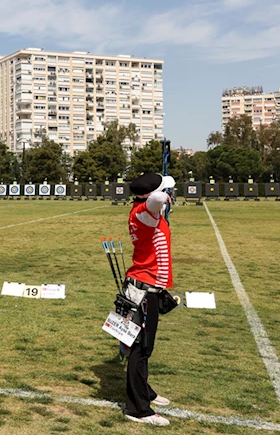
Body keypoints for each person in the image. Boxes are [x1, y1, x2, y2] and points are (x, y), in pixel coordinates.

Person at [122, 172, 176, 426]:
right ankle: (137, 409)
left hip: (147, 288)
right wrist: (162, 194)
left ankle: (146, 392)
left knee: (143, 348)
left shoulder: (141, 210)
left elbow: (158, 194)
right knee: (139, 349)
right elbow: (156, 197)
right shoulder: (145, 211)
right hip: (143, 291)